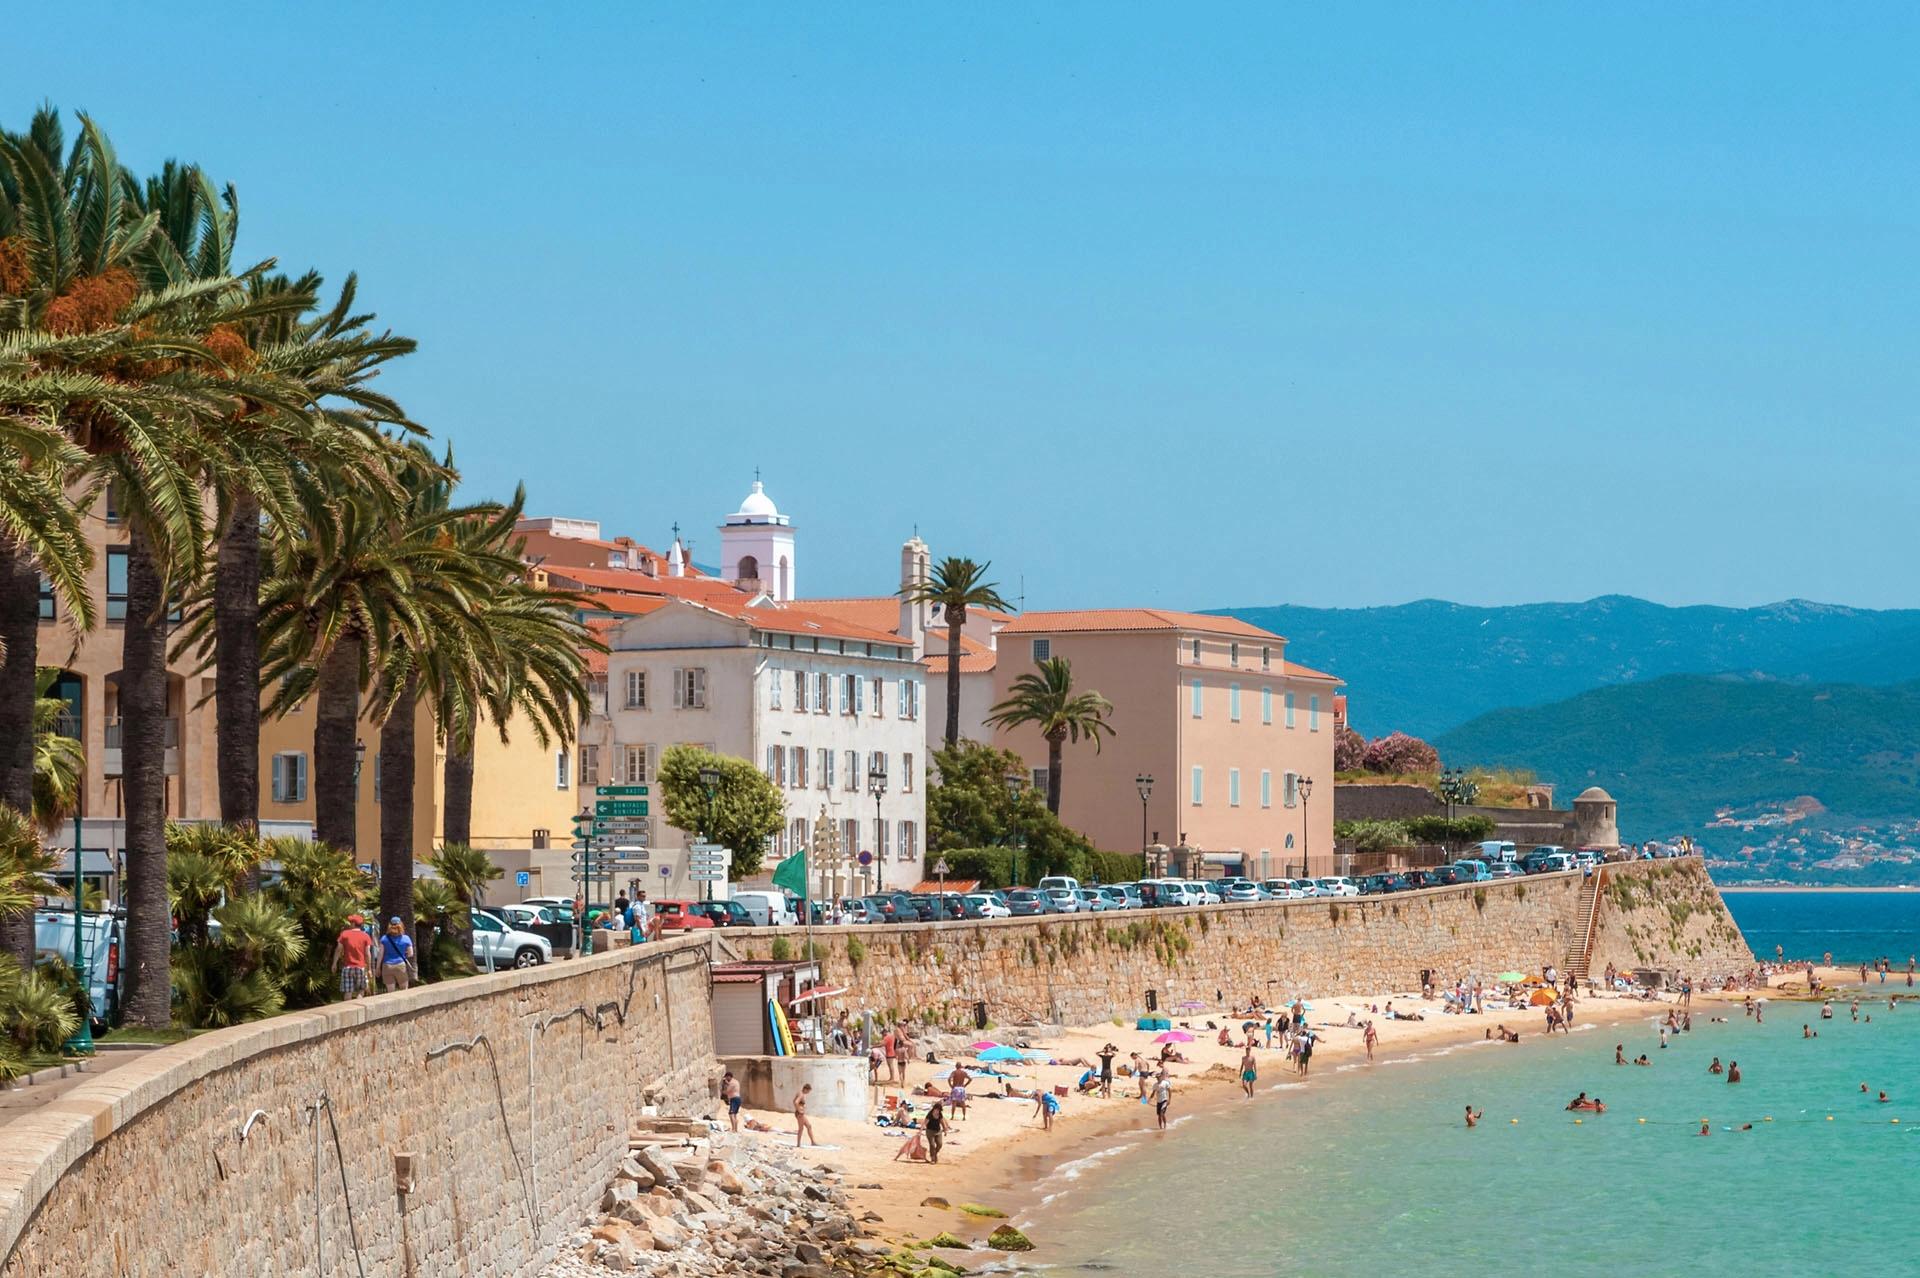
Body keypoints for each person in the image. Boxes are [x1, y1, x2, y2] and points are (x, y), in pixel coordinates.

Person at [331, 913, 374, 1000]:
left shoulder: (344, 934)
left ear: (354, 924)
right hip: (360, 967)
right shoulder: (365, 936)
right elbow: (367, 953)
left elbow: (339, 949)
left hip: (347, 967)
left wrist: (334, 963)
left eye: (350, 922)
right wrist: (369, 969)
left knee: (348, 991)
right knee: (361, 990)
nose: (349, 924)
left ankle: (347, 1009)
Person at [378, 917, 416, 991]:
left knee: (390, 991)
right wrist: (404, 954)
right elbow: (411, 954)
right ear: (401, 925)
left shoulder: (384, 938)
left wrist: (378, 968)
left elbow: (380, 954)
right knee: (404, 990)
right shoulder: (406, 938)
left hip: (387, 965)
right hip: (400, 965)